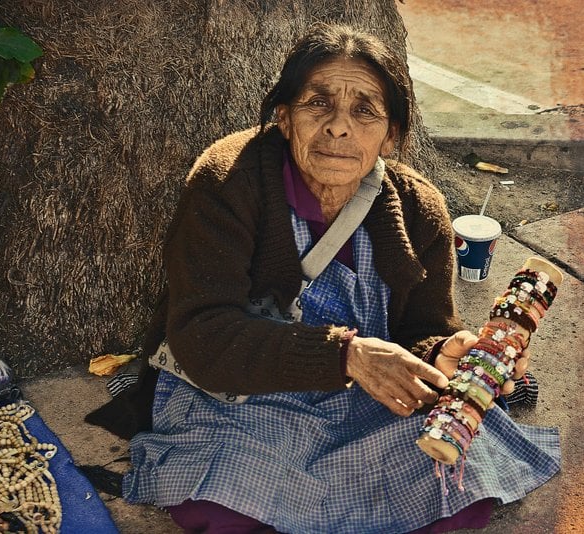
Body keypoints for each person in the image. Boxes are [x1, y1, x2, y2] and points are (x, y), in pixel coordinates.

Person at [110, 23, 559, 533]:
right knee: (224, 506)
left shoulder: (418, 209)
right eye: (317, 104)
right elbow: (202, 335)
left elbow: (421, 332)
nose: (339, 128)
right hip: (241, 393)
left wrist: (446, 354)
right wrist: (346, 354)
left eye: (365, 110)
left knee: (454, 481)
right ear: (284, 117)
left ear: (391, 134)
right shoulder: (227, 181)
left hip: (362, 395)